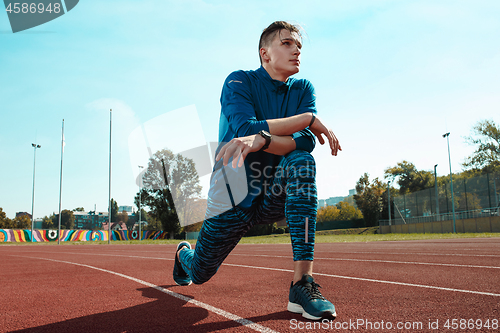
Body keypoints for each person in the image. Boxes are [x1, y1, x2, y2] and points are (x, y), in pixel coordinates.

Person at [173, 21, 341, 321]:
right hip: (232, 199)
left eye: (299, 46)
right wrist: (307, 119)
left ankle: (302, 284)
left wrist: (264, 139)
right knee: (199, 274)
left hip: (273, 192)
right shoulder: (238, 82)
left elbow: (304, 141)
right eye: (287, 44)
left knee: (302, 160)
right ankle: (184, 256)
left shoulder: (303, 89)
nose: (296, 50)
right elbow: (244, 129)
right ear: (265, 54)